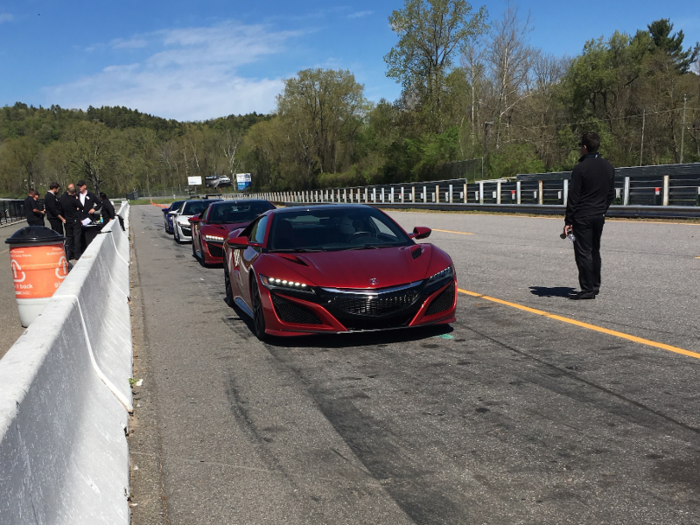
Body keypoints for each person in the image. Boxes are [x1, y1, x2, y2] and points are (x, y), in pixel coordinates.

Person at [563, 132, 615, 300]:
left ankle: (587, 289)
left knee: (583, 252)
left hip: (582, 216)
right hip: (598, 215)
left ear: (584, 147)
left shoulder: (580, 168)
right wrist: (602, 209)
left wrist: (568, 220)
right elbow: (611, 194)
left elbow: (574, 196)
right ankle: (595, 285)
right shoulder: (608, 166)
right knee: (594, 251)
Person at [59, 184, 83, 260]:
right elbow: (81, 206)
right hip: (74, 219)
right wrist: (76, 199)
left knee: (69, 237)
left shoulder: (62, 199)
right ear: (73, 193)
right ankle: (77, 254)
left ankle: (67, 254)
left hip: (67, 219)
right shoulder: (73, 200)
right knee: (77, 237)